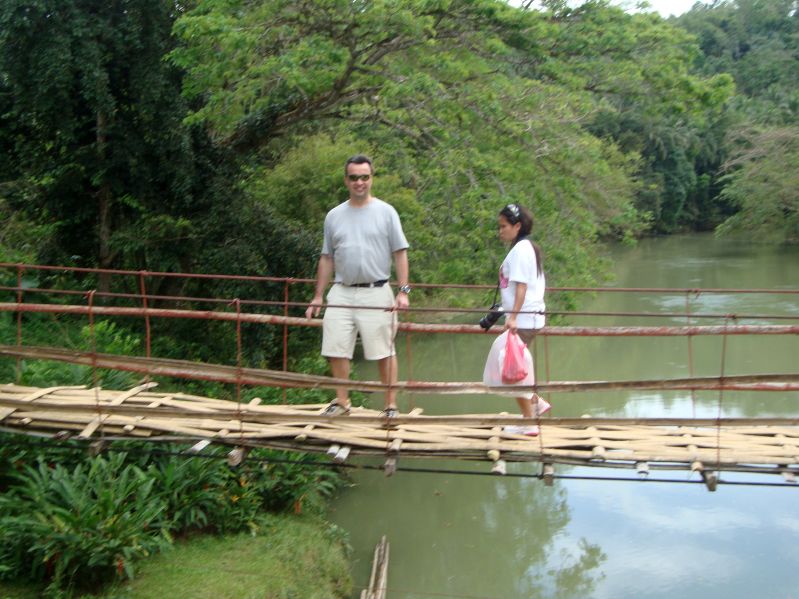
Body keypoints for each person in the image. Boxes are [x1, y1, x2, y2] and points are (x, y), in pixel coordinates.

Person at [305, 154, 411, 418]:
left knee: (384, 349)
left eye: (364, 177)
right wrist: (318, 296)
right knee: (335, 346)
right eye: (354, 177)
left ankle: (390, 405)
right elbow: (327, 257)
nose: (359, 182)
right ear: (346, 180)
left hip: (377, 290)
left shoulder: (386, 212)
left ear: (371, 178)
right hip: (342, 290)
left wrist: (404, 291)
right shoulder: (334, 216)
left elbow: (400, 253)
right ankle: (342, 402)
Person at [495, 203, 549, 436]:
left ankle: (529, 422)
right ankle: (535, 403)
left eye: (504, 226)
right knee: (516, 368)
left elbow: (521, 286)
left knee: (511, 370)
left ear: (517, 226)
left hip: (524, 320)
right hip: (528, 317)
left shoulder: (520, 250)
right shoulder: (527, 248)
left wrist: (513, 317)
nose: (500, 231)